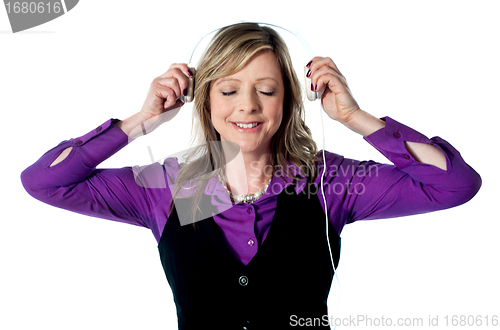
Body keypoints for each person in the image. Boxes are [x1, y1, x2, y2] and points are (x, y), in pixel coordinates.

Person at [21, 22, 481, 329]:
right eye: (228, 89)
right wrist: (141, 121)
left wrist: (355, 117)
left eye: (266, 89)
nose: (248, 106)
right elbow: (45, 181)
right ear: (205, 101)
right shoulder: (177, 186)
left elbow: (454, 185)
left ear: (288, 101)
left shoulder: (323, 182)